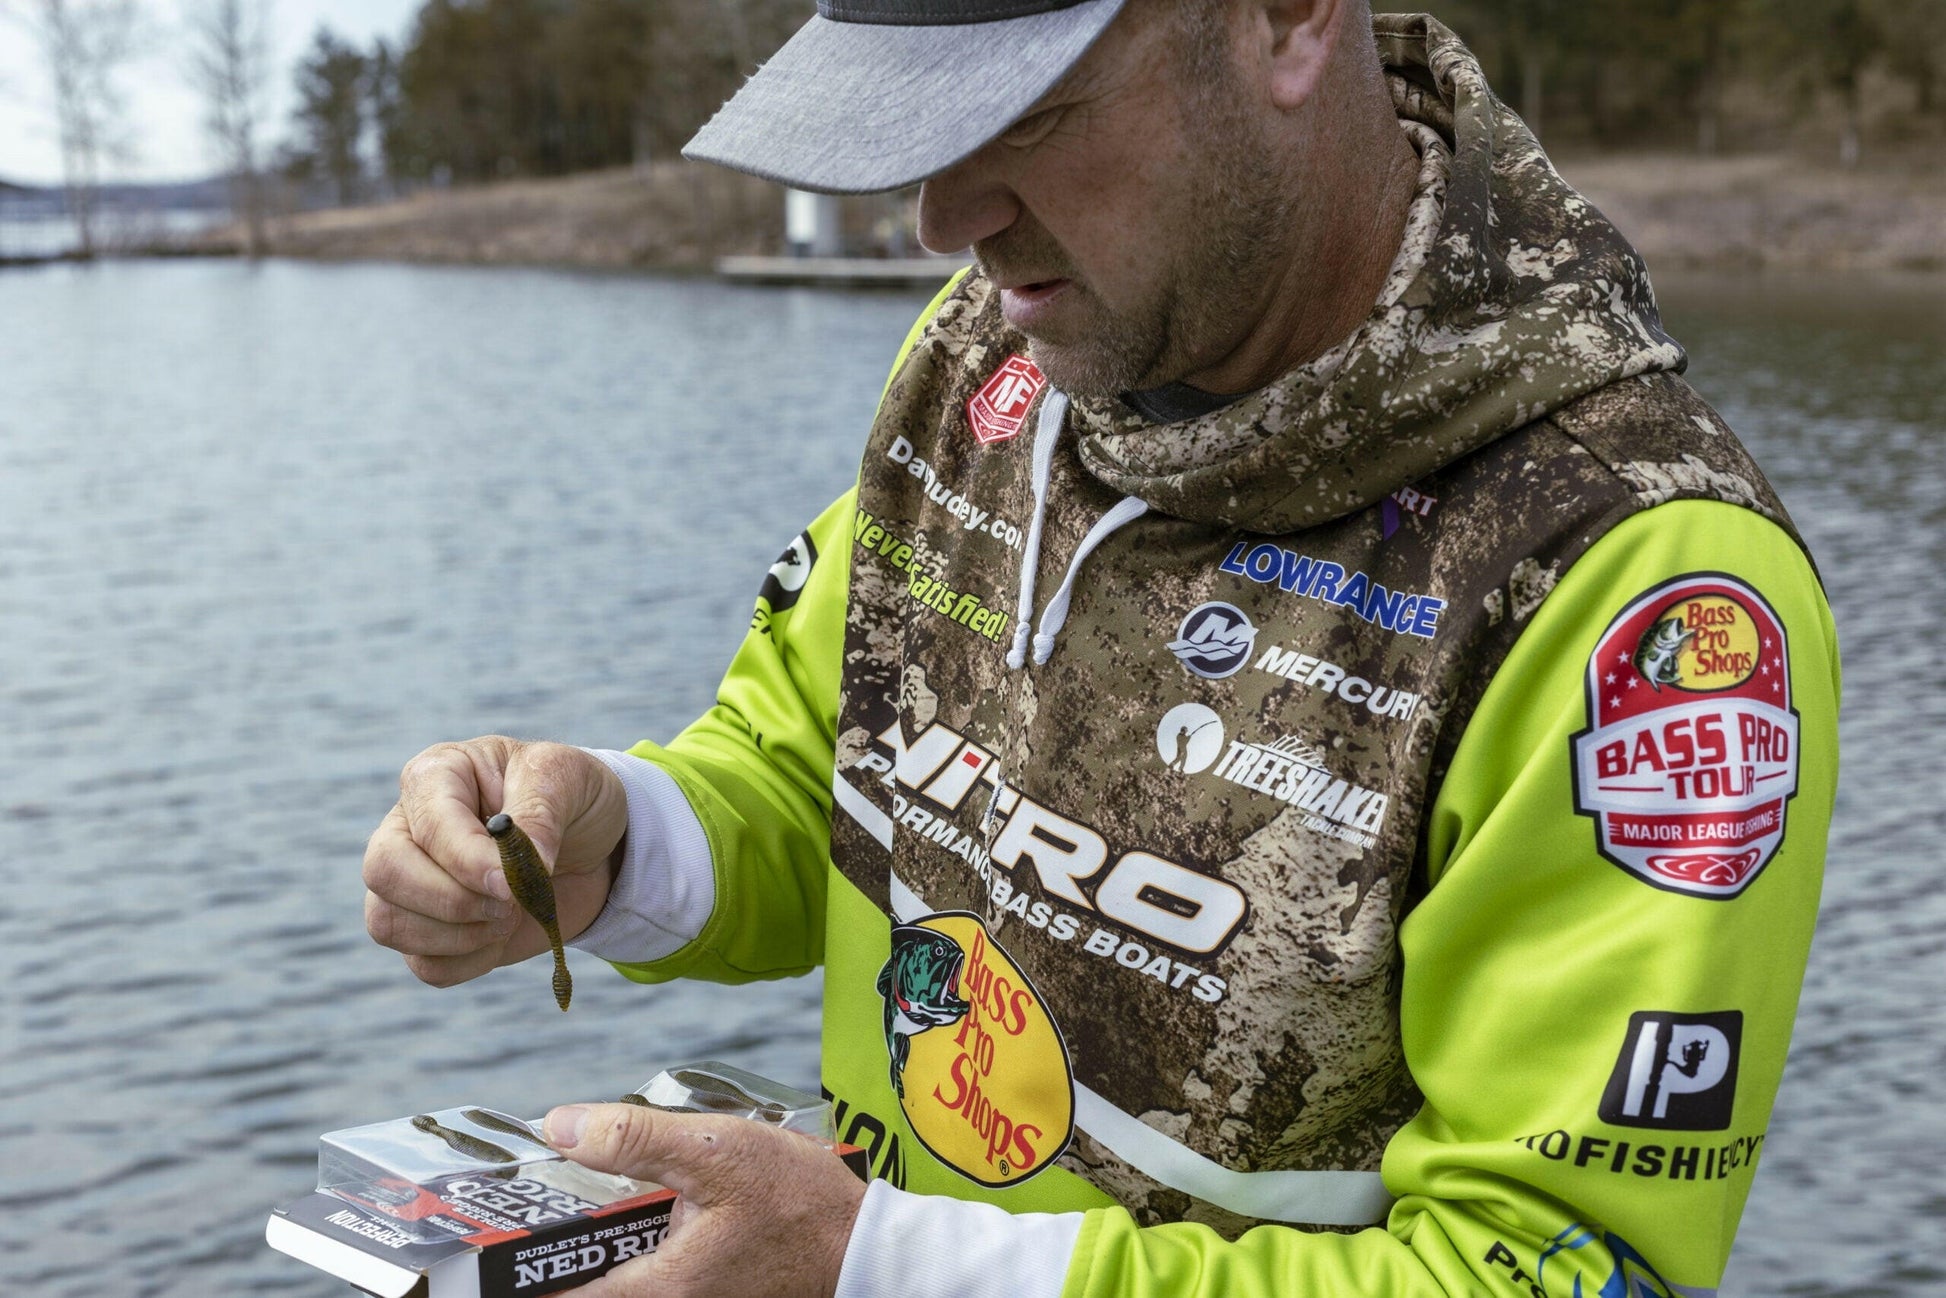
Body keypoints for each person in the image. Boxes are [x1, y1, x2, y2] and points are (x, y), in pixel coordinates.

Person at [362, 2, 1839, 1296]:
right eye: (908, 126)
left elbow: (1557, 1268)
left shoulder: (1640, 586)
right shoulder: (997, 351)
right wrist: (609, 840)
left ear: (1281, 17)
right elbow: (833, 768)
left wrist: (878, 1264)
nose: (943, 215)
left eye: (1023, 108)